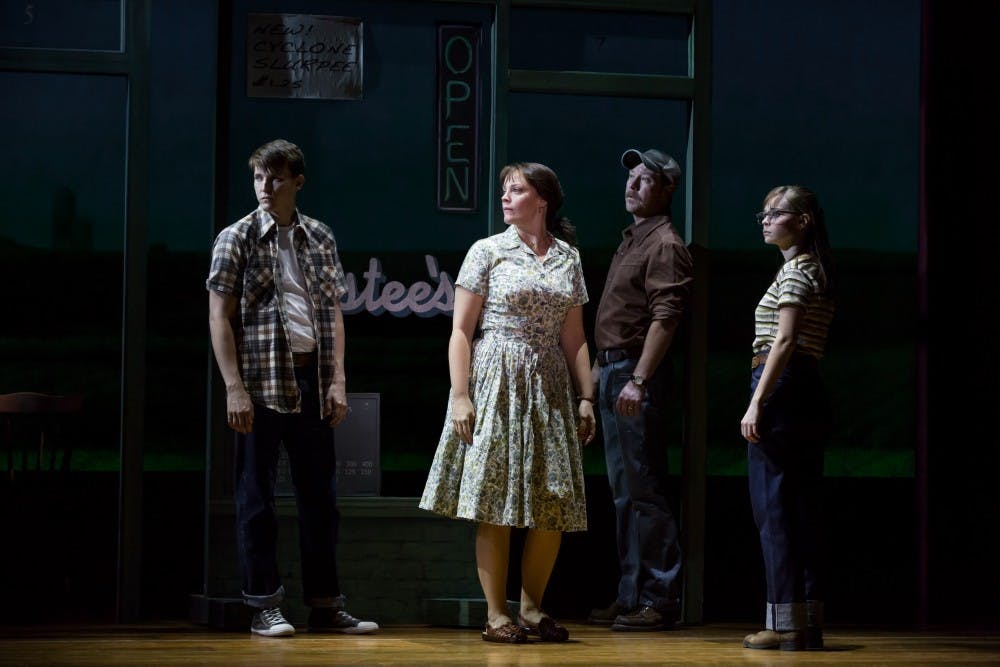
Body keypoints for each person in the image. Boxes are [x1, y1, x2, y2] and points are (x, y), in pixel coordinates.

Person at [206, 139, 378, 638]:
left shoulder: (319, 236)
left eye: (275, 178)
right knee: (256, 495)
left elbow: (332, 313)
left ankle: (325, 605)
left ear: (297, 182)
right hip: (259, 382)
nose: (265, 187)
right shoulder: (235, 237)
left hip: (311, 377)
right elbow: (219, 316)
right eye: (259, 177)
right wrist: (233, 387)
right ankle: (264, 604)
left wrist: (337, 380)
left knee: (319, 498)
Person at [420, 162, 596, 644]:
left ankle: (534, 609)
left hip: (550, 386)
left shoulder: (567, 259)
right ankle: (497, 615)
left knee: (552, 500)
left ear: (542, 199)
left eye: (515, 190)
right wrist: (460, 395)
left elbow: (575, 334)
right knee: (494, 499)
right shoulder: (488, 251)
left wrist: (586, 397)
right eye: (504, 189)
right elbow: (460, 330)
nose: (505, 197)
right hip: (497, 377)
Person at [588, 148, 693, 632]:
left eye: (645, 179)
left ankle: (660, 598)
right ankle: (631, 595)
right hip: (612, 371)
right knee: (624, 493)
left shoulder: (665, 244)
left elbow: (665, 318)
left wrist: (638, 379)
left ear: (667, 189)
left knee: (646, 490)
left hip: (633, 374)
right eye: (630, 177)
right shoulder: (632, 239)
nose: (632, 185)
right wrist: (596, 373)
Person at [740, 185, 835, 651]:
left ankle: (781, 623)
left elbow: (784, 340)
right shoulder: (811, 269)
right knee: (798, 507)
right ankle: (805, 618)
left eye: (776, 213)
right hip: (802, 387)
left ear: (802, 221)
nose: (765, 220)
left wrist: (757, 400)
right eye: (765, 212)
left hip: (780, 386)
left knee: (773, 508)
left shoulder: (798, 272)